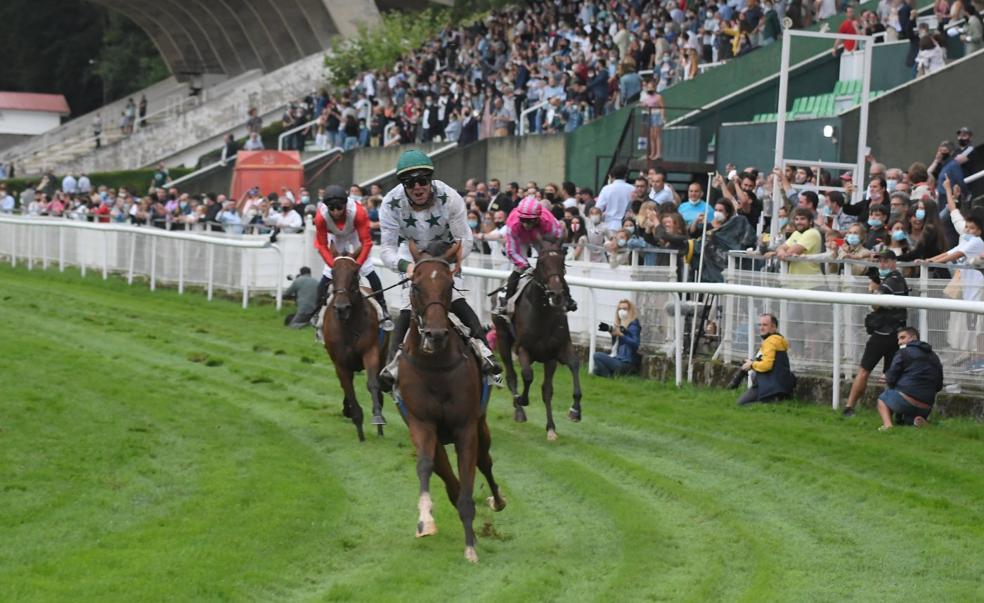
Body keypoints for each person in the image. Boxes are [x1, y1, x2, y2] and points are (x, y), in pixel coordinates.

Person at [377, 149, 501, 391]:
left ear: (430, 180)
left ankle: (485, 352)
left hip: (446, 252)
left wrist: (443, 263)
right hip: (411, 254)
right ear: (403, 185)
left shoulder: (450, 197)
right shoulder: (390, 204)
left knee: (455, 298)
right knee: (406, 304)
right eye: (410, 183)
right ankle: (392, 365)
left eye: (423, 180)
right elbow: (387, 250)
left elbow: (465, 241)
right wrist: (408, 266)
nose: (418, 187)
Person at [313, 185, 393, 332]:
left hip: (356, 234)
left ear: (345, 204)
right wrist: (333, 265)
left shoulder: (359, 212)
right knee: (326, 274)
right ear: (326, 207)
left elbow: (366, 243)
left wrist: (357, 264)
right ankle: (317, 310)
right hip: (335, 236)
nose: (336, 212)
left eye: (339, 208)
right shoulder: (320, 218)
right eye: (332, 208)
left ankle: (383, 309)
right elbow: (322, 246)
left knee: (369, 271)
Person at [842, 251, 910, 416]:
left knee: (865, 370)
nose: (882, 265)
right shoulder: (895, 280)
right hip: (895, 334)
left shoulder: (892, 281)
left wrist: (873, 289)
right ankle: (891, 412)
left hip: (883, 335)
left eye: (886, 261)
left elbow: (875, 304)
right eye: (880, 262)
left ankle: (850, 407)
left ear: (894, 262)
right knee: (890, 375)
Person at [496, 196, 576, 314]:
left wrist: (551, 254)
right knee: (518, 268)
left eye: (530, 220)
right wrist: (525, 266)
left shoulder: (549, 221)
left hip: (541, 235)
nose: (526, 224)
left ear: (538, 218)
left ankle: (568, 297)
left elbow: (558, 237)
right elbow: (512, 251)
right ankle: (506, 301)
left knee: (552, 265)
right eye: (523, 220)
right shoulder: (513, 224)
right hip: (521, 238)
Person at [876, 327, 943, 430]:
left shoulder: (903, 353)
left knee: (883, 398)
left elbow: (891, 379)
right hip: (926, 405)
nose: (899, 342)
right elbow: (938, 385)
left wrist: (888, 377)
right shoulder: (934, 357)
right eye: (898, 339)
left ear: (914, 337)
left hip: (905, 401)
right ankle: (918, 420)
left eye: (902, 338)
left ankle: (887, 425)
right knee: (908, 422)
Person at [735, 313, 796, 405]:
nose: (761, 328)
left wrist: (751, 364)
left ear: (773, 327)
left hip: (769, 386)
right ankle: (775, 399)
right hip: (782, 386)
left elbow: (767, 366)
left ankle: (769, 401)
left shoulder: (770, 342)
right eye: (760, 324)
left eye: (765, 325)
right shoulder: (779, 339)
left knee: (741, 404)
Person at [593, 299, 642, 377]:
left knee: (597, 355)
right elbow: (616, 347)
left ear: (630, 310)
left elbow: (635, 344)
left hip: (625, 362)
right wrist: (612, 333)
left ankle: (609, 376)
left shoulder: (633, 324)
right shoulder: (619, 324)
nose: (621, 311)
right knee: (596, 370)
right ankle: (612, 375)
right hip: (617, 358)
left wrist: (621, 335)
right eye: (620, 309)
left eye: (625, 309)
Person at [595, 164, 634, 230]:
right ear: (626, 175)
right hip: (627, 225)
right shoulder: (632, 188)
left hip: (609, 225)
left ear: (613, 175)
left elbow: (598, 208)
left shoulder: (606, 189)